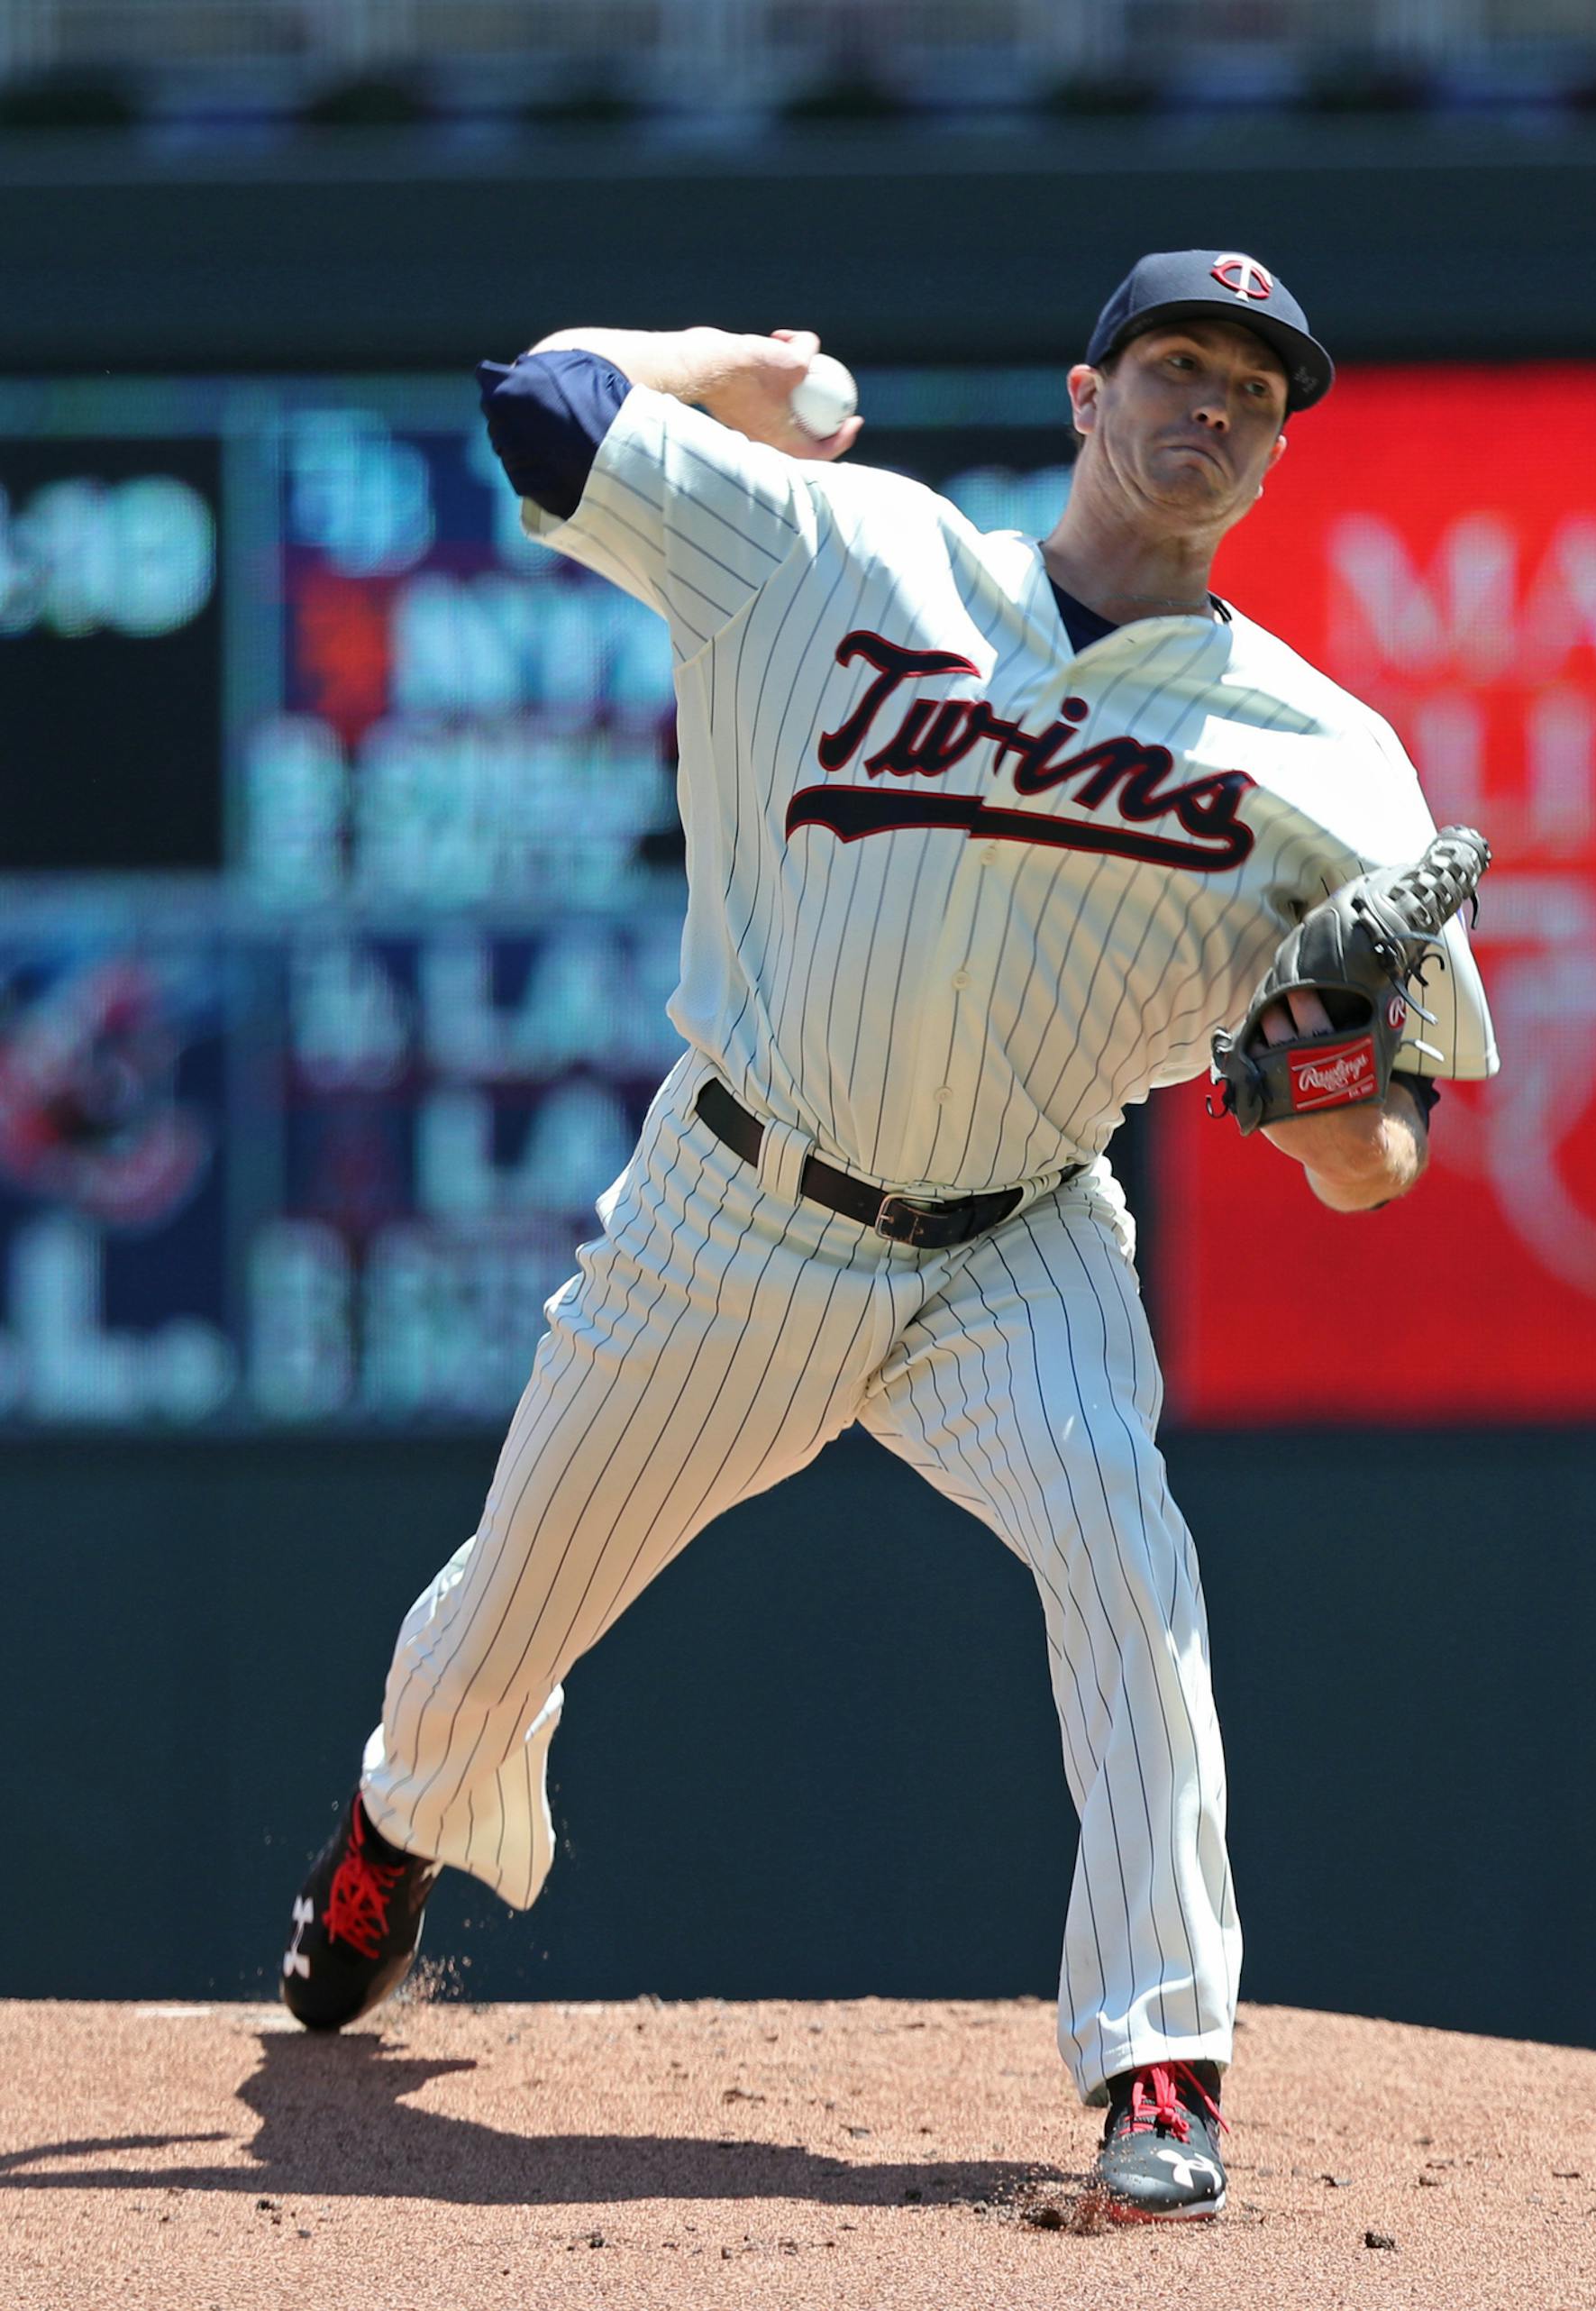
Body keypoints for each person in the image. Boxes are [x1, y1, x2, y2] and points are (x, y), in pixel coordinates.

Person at [278, 249, 1498, 2223]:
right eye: (1177, 363)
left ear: (1275, 452)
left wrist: (1335, 1105)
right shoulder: (841, 550)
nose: (1212, 405)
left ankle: (1159, 2065)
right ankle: (399, 1828)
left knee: (1132, 1564)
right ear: (1084, 393)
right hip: (736, 1213)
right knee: (505, 1625)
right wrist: (728, 372)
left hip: (1015, 1242)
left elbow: (1382, 1160)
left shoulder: (1327, 769)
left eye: (1254, 392)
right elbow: (539, 403)